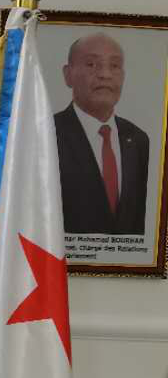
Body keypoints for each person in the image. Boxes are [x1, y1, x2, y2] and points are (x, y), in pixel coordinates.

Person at [54, 31, 150, 236]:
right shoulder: (46, 134)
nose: (105, 74)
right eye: (91, 64)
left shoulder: (138, 140)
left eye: (114, 66)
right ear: (68, 74)